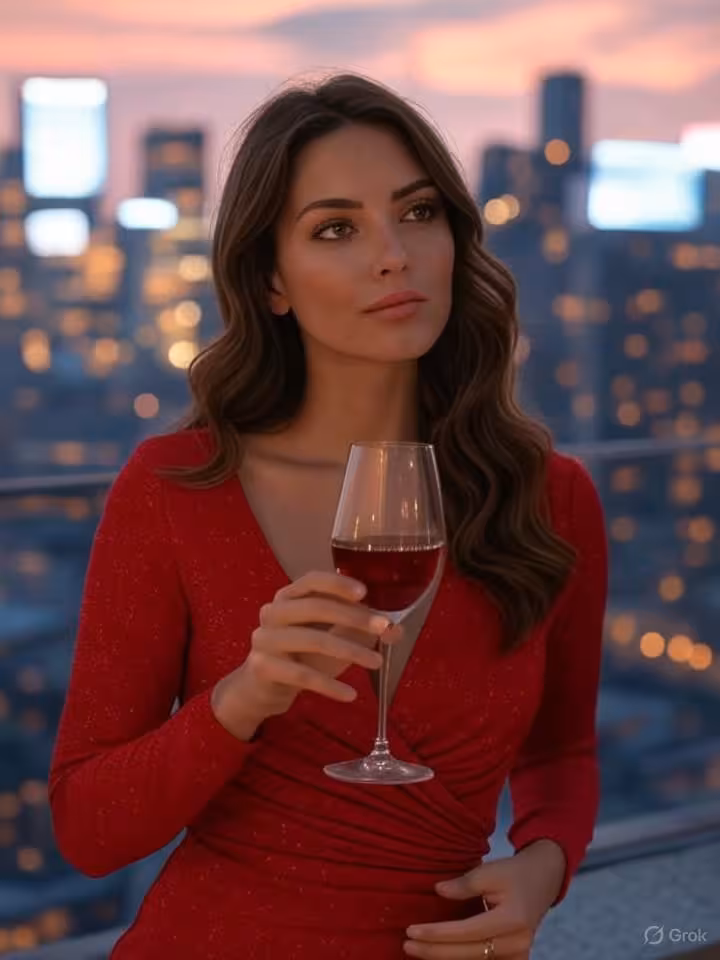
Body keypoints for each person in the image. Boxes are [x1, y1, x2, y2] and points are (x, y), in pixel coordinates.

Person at [48, 72, 609, 960]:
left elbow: (563, 755)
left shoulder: (553, 497)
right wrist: (240, 701)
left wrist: (545, 865)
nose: (394, 254)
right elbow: (87, 829)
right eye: (337, 228)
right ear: (272, 279)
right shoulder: (175, 487)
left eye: (419, 213)